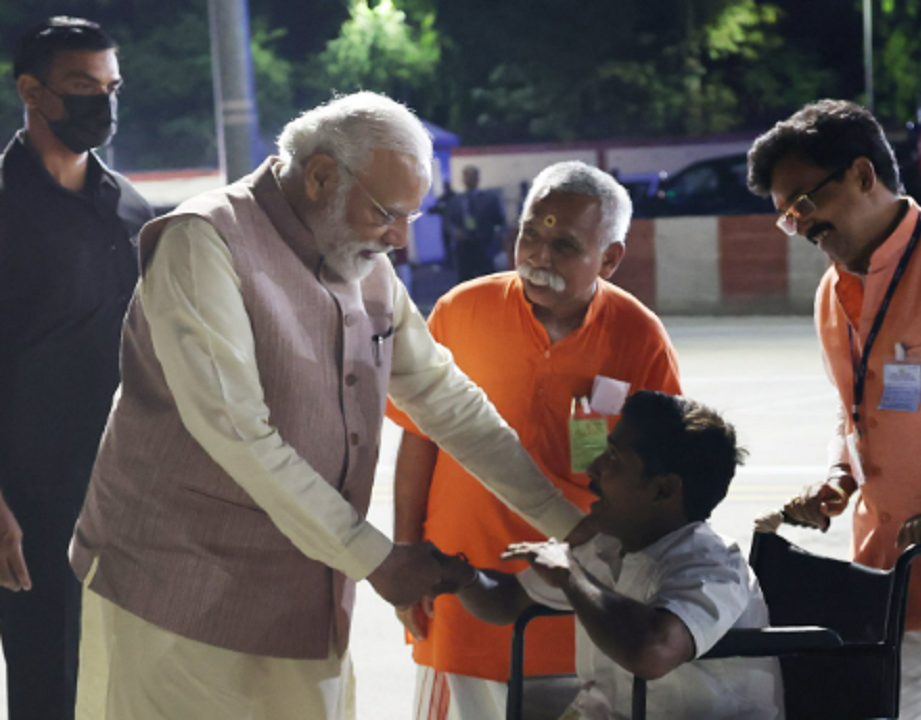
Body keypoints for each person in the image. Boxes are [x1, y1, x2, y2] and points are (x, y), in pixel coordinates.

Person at [69, 92, 589, 720]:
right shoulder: (203, 242)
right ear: (320, 177)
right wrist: (375, 557)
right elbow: (237, 432)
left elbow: (445, 400)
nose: (399, 238)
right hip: (180, 589)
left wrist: (572, 526)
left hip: (305, 591)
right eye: (387, 214)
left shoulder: (363, 258)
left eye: (410, 218)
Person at [746, 99, 921, 720]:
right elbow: (851, 407)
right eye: (785, 217)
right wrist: (837, 476)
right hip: (883, 572)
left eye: (803, 204)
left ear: (861, 174)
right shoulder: (831, 289)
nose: (800, 226)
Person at [387, 160, 682, 719]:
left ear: (611, 259)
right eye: (530, 234)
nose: (539, 257)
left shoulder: (639, 337)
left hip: (576, 610)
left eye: (565, 245)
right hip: (458, 591)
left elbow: (665, 478)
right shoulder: (460, 311)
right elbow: (417, 441)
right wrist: (406, 558)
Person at [449, 391, 784, 720]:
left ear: (663, 489)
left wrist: (572, 577)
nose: (594, 468)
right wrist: (454, 574)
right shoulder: (608, 546)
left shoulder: (713, 565)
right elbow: (505, 601)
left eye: (614, 458)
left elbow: (653, 652)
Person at [0, 18, 151, 720]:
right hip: (26, 504)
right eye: (83, 86)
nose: (104, 102)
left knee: (128, 683)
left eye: (111, 86)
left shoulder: (129, 207)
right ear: (32, 91)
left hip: (129, 494)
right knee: (48, 688)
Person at [446, 164, 506, 282]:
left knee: (487, 281)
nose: (468, 179)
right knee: (465, 281)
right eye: (466, 176)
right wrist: (455, 232)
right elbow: (449, 222)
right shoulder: (456, 201)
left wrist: (498, 241)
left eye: (471, 176)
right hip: (464, 248)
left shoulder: (489, 199)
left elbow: (499, 221)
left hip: (484, 246)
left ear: (477, 178)